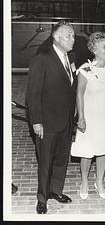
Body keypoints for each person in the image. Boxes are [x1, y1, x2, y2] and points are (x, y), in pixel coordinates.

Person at [26, 21, 77, 214]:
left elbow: (70, 86)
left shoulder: (71, 56)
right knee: (45, 160)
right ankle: (42, 198)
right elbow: (32, 93)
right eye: (68, 36)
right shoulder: (42, 58)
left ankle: (56, 190)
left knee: (61, 159)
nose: (72, 39)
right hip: (47, 122)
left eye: (73, 35)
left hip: (66, 120)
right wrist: (36, 121)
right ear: (55, 38)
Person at [71, 32, 105, 200]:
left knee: (103, 150)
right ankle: (84, 182)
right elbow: (79, 94)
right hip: (89, 117)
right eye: (104, 47)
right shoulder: (85, 69)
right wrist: (81, 118)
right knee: (87, 151)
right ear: (94, 50)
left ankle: (99, 182)